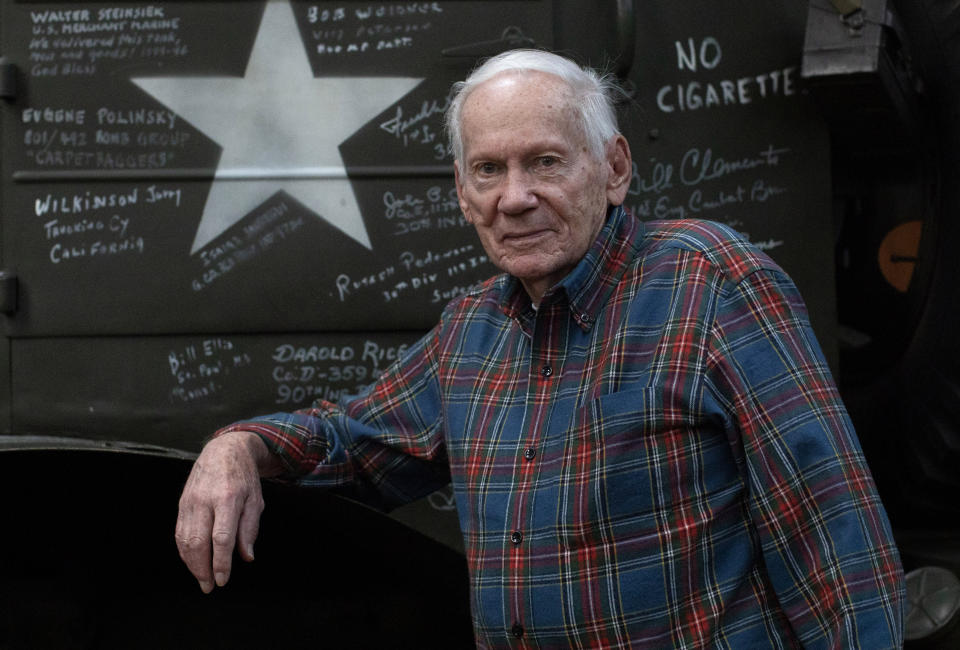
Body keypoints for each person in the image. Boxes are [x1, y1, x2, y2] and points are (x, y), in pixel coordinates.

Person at [176, 49, 904, 647]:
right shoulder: (472, 331)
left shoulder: (711, 283)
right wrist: (238, 447)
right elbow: (352, 443)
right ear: (463, 194)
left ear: (615, 168)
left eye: (546, 162)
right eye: (488, 170)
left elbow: (834, 537)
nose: (514, 197)